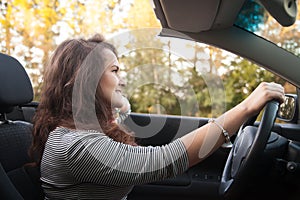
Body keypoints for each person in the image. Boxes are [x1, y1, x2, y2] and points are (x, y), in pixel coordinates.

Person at [30, 34, 285, 200]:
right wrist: (245, 108)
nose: (123, 78)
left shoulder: (86, 133)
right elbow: (163, 160)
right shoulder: (76, 145)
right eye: (115, 70)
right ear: (87, 81)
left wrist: (115, 107)